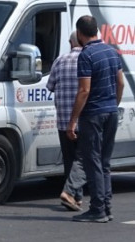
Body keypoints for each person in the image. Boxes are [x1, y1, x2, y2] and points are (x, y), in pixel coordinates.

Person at [66, 15, 124, 223]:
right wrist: (113, 104)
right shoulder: (111, 51)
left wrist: (73, 120)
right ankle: (106, 207)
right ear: (97, 31)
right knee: (105, 162)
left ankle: (98, 208)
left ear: (80, 33)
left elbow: (84, 90)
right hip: (110, 112)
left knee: (92, 162)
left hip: (93, 114)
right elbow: (121, 83)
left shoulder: (87, 55)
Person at [46, 31, 86, 211]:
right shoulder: (88, 59)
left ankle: (76, 197)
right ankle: (72, 194)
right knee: (84, 158)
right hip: (84, 118)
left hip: (63, 119)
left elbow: (50, 87)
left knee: (70, 159)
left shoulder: (60, 61)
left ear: (71, 42)